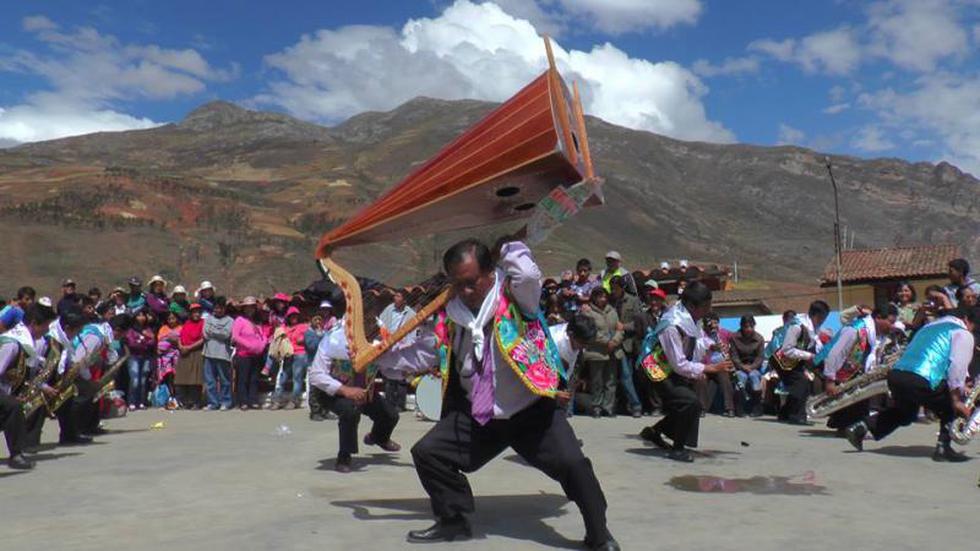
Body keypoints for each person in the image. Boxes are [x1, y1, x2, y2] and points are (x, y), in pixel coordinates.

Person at [382, 238, 618, 549]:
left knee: (574, 465)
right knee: (428, 453)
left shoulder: (518, 298)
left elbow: (528, 274)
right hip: (480, 417)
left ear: (490, 272)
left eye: (471, 282)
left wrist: (507, 244)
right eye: (457, 284)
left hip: (532, 413)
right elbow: (421, 355)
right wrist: (379, 357)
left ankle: (599, 534)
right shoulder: (451, 317)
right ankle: (454, 520)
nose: (465, 291)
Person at [845, 306, 979, 462]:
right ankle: (943, 447)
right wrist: (957, 400)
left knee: (906, 412)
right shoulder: (962, 333)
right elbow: (957, 367)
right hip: (922, 378)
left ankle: (861, 427)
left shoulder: (927, 328)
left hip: (897, 375)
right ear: (966, 320)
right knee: (951, 405)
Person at [636, 281, 732, 462]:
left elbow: (695, 343)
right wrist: (710, 368)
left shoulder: (692, 318)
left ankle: (655, 431)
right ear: (691, 305)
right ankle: (677, 449)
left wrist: (711, 345)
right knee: (689, 402)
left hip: (670, 368)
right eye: (705, 307)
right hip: (655, 370)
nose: (708, 310)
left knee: (688, 402)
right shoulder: (672, 324)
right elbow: (679, 363)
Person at [308, 322, 410, 473]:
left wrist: (406, 371)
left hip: (364, 391)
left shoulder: (379, 338)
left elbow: (387, 369)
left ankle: (378, 437)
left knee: (390, 415)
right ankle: (345, 455)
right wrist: (345, 390)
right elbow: (316, 375)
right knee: (350, 410)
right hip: (332, 392)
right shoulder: (333, 339)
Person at [814, 304, 897, 432]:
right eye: (890, 322)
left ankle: (846, 425)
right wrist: (830, 380)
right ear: (879, 317)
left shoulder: (876, 336)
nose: (893, 326)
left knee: (859, 403)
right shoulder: (855, 330)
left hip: (850, 371)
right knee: (852, 403)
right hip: (833, 369)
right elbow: (835, 354)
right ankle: (845, 425)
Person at [0, 305, 56, 469]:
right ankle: (16, 455)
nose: (46, 330)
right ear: (33, 323)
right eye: (45, 325)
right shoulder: (12, 344)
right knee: (13, 406)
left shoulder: (26, 344)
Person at [775, 301, 830, 425]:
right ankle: (797, 416)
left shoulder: (813, 329)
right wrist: (809, 356)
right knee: (801, 382)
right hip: (780, 359)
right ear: (815, 315)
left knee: (804, 382)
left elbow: (817, 347)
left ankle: (785, 413)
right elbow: (786, 350)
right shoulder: (797, 326)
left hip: (794, 360)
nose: (823, 321)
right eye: (822, 318)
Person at [581, 287, 623, 418]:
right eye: (600, 297)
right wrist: (606, 342)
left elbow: (620, 328)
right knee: (597, 381)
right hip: (596, 352)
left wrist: (614, 341)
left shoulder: (612, 311)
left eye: (604, 296)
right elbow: (590, 331)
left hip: (613, 351)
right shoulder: (588, 312)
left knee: (611, 381)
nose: (603, 299)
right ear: (594, 298)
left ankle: (608, 407)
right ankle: (596, 406)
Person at [609, 276, 642, 417]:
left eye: (615, 289)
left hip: (628, 343)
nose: (613, 291)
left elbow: (639, 322)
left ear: (622, 288)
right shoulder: (610, 301)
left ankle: (636, 405)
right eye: (612, 289)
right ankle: (629, 405)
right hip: (613, 342)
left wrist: (624, 326)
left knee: (626, 376)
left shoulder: (633, 301)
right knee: (619, 377)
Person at [378, 290, 417, 411]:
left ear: (404, 300)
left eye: (398, 296)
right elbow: (381, 323)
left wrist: (407, 344)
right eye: (395, 295)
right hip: (389, 344)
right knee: (388, 375)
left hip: (403, 346)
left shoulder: (411, 313)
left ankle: (400, 404)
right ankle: (389, 403)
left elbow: (414, 331)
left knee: (401, 376)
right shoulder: (389, 309)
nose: (395, 297)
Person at [270, 306, 309, 409]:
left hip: (300, 354)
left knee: (297, 378)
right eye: (291, 316)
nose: (293, 318)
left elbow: (310, 339)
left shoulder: (304, 327)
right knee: (283, 377)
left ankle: (294, 401)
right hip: (288, 354)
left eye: (295, 316)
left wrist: (303, 339)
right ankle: (277, 400)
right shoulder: (284, 328)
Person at [232, 296, 267, 409]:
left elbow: (263, 335)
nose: (250, 309)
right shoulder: (239, 320)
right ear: (243, 308)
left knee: (254, 378)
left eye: (252, 307)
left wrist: (262, 344)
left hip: (256, 354)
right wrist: (249, 346)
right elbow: (235, 336)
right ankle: (243, 401)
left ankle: (253, 400)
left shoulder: (257, 321)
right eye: (247, 307)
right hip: (244, 354)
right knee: (243, 378)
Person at [700, 311, 735, 417]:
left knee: (724, 376)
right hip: (706, 366)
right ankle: (702, 408)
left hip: (720, 365)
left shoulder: (724, 333)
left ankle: (730, 408)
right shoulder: (701, 334)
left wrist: (728, 350)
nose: (713, 326)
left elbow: (737, 338)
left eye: (716, 323)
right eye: (711, 323)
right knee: (701, 378)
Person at [202, 297, 234, 410]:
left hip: (223, 354)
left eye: (220, 308)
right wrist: (219, 332)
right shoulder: (208, 319)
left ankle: (226, 401)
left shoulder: (230, 321)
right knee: (210, 381)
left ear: (224, 308)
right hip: (208, 354)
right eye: (216, 308)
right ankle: (213, 402)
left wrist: (213, 332)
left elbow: (226, 334)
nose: (218, 310)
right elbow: (205, 334)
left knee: (225, 380)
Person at [729, 315, 765, 416]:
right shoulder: (734, 338)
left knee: (754, 376)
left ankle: (757, 407)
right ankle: (739, 407)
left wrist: (752, 367)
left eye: (751, 326)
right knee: (741, 377)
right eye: (746, 327)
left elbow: (760, 357)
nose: (748, 329)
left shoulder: (759, 339)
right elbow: (734, 356)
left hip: (754, 367)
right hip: (739, 367)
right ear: (741, 326)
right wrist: (742, 367)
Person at [124, 310, 156, 410]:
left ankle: (141, 401)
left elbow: (152, 341)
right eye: (139, 315)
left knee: (143, 380)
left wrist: (143, 342)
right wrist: (144, 341)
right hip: (134, 356)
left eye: (143, 315)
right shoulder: (131, 330)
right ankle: (132, 401)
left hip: (146, 356)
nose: (141, 318)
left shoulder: (148, 329)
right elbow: (132, 343)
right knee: (135, 380)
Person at [156, 312, 182, 409]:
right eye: (169, 319)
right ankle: (170, 397)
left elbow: (181, 340)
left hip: (176, 355)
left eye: (173, 318)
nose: (171, 321)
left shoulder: (181, 328)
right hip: (165, 356)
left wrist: (174, 340)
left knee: (176, 376)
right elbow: (160, 340)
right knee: (168, 376)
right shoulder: (163, 328)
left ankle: (177, 397)